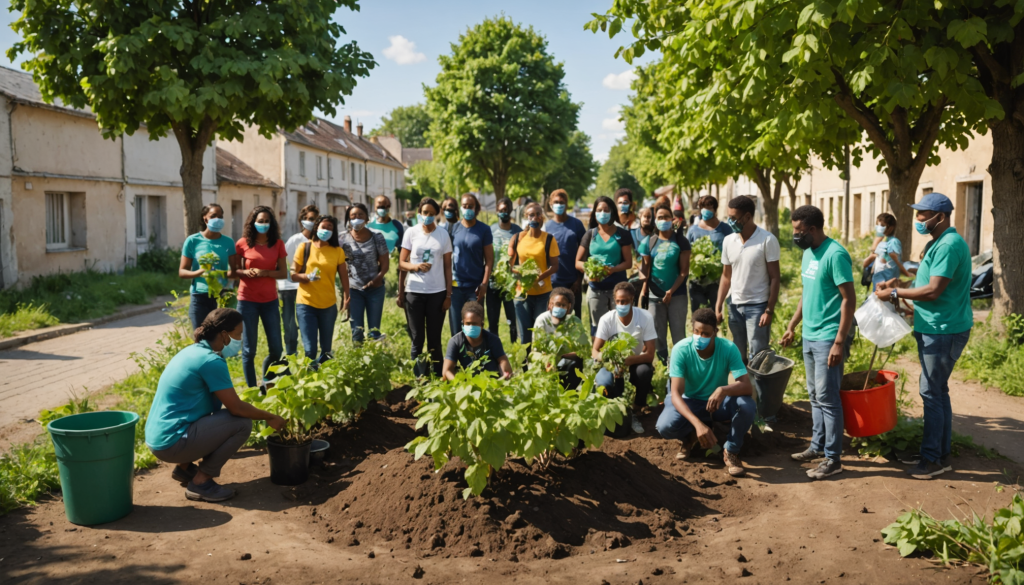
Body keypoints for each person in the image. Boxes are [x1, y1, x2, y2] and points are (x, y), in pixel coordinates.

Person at [875, 193, 972, 479]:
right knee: (938, 392)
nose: (918, 220)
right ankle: (940, 455)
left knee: (931, 392)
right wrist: (900, 283)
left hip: (943, 331)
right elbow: (925, 282)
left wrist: (894, 293)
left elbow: (933, 291)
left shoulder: (949, 245)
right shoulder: (938, 244)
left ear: (939, 217)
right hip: (934, 327)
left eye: (922, 215)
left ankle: (932, 460)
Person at [145, 308, 287, 503]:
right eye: (238, 334)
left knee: (216, 419)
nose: (240, 339)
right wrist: (270, 417)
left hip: (160, 435)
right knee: (241, 424)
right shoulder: (210, 361)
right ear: (224, 335)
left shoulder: (192, 351)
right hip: (171, 443)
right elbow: (236, 408)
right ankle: (201, 483)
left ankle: (184, 469)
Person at [781, 205, 855, 480]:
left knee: (828, 398)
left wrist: (838, 341)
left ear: (812, 229)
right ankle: (817, 446)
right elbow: (806, 292)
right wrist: (792, 326)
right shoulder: (808, 253)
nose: (795, 236)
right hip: (809, 335)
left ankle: (833, 459)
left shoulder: (835, 255)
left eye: (799, 231)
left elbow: (849, 299)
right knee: (814, 396)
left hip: (828, 337)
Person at [655, 308, 755, 477]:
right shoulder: (681, 350)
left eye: (705, 334)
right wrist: (697, 424)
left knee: (746, 405)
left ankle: (731, 450)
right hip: (690, 401)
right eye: (696, 331)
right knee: (664, 426)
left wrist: (723, 389)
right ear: (692, 329)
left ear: (715, 332)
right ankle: (689, 437)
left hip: (716, 403)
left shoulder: (728, 348)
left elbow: (747, 387)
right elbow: (676, 393)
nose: (699, 337)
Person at [716, 196, 782, 364]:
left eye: (733, 218)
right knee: (737, 355)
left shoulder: (767, 240)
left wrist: (769, 309)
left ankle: (760, 390)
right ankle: (742, 389)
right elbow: (726, 276)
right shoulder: (728, 240)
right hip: (734, 305)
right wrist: (719, 305)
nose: (730, 221)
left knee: (759, 356)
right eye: (728, 217)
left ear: (747, 217)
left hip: (758, 307)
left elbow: (775, 277)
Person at [230, 206, 288, 388]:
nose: (263, 224)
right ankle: (252, 390)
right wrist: (246, 273)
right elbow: (233, 272)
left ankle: (266, 380)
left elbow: (283, 273)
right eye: (260, 221)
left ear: (272, 224)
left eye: (266, 221)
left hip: (270, 301)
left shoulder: (278, 244)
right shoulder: (242, 244)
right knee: (249, 349)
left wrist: (265, 272)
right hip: (247, 301)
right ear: (252, 222)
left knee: (276, 349)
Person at [593, 282, 657, 434]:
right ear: (614, 300)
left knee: (644, 372)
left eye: (625, 301)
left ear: (632, 300)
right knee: (604, 382)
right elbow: (595, 351)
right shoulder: (606, 319)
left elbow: (650, 355)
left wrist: (628, 361)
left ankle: (636, 408)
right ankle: (611, 412)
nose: (621, 305)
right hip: (611, 363)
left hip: (634, 360)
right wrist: (609, 360)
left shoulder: (645, 317)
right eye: (619, 301)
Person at [399, 198, 453, 377]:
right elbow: (401, 263)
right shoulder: (411, 233)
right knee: (417, 339)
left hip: (437, 293)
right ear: (419, 213)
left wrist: (448, 295)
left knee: (434, 340)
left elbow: (447, 267)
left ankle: (437, 377)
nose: (427, 217)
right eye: (424, 213)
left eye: (431, 213)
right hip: (414, 293)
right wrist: (415, 267)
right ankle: (419, 378)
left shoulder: (443, 235)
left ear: (437, 214)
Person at [290, 215, 349, 365]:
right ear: (316, 227)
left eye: (330, 227)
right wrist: (306, 277)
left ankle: (323, 382)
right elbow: (292, 275)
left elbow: (344, 277)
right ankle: (308, 381)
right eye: (324, 226)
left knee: (326, 351)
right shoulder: (304, 247)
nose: (327, 230)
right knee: (310, 350)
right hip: (306, 303)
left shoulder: (337, 251)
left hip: (328, 305)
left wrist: (347, 297)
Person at [639, 204, 692, 364]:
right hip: (655, 296)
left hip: (677, 295)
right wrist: (643, 292)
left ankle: (679, 367)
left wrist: (671, 291)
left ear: (672, 219)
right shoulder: (649, 242)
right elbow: (645, 269)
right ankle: (664, 365)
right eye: (660, 217)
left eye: (666, 217)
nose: (663, 220)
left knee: (678, 335)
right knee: (658, 334)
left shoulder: (681, 241)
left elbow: (684, 271)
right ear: (655, 220)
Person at [576, 196, 634, 336]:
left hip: (618, 291)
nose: (602, 213)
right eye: (599, 210)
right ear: (595, 214)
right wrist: (590, 270)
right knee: (598, 329)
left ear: (612, 212)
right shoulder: (590, 235)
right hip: (596, 290)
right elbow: (578, 262)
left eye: (606, 210)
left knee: (620, 327)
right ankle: (598, 356)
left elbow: (628, 262)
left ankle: (619, 357)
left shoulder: (622, 234)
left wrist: (613, 269)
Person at [509, 202, 560, 346]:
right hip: (522, 293)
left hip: (543, 294)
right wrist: (520, 274)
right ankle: (526, 367)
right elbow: (510, 264)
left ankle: (541, 364)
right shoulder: (518, 238)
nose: (535, 217)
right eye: (531, 214)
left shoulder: (549, 239)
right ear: (526, 217)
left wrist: (539, 277)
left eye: (538, 214)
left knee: (540, 333)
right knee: (525, 335)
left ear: (542, 217)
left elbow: (555, 266)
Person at [339, 203, 390, 342]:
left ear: (367, 218)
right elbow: (341, 265)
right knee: (357, 332)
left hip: (375, 289)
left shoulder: (376, 237)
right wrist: (345, 294)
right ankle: (359, 360)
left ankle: (374, 360)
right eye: (353, 216)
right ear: (348, 219)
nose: (357, 218)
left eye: (361, 215)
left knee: (374, 332)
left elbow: (385, 263)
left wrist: (377, 279)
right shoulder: (343, 239)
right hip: (354, 291)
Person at [180, 204, 235, 330]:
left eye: (221, 216)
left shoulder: (228, 242)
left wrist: (219, 274)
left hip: (222, 295)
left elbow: (235, 272)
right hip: (199, 295)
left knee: (220, 338)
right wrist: (200, 272)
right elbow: (182, 272)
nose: (218, 219)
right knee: (200, 335)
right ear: (205, 219)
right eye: (214, 216)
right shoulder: (193, 241)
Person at [449, 193, 494, 337]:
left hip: (475, 288)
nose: (467, 209)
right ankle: (456, 357)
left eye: (471, 206)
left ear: (476, 208)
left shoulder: (484, 230)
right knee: (456, 329)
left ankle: (477, 357)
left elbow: (489, 260)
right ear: (460, 208)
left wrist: (484, 284)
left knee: (475, 329)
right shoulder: (452, 229)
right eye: (464, 206)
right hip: (455, 287)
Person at [278, 204, 319, 356]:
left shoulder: (319, 242)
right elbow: (285, 263)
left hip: (310, 288)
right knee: (290, 324)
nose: (312, 222)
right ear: (302, 221)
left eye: (314, 219)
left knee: (309, 323)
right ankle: (291, 355)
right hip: (289, 288)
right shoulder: (295, 240)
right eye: (308, 219)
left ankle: (310, 356)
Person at [544, 189, 587, 321]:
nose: (559, 205)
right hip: (553, 281)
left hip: (573, 281)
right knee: (555, 318)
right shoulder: (547, 227)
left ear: (567, 204)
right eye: (556, 202)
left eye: (561, 202)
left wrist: (579, 280)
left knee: (575, 318)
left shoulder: (577, 225)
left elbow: (584, 252)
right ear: (550, 205)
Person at [534, 287, 590, 389]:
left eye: (563, 305)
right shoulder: (542, 320)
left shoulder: (574, 321)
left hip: (567, 361)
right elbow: (536, 349)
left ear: (569, 307)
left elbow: (584, 351)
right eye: (556, 304)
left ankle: (569, 389)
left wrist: (561, 355)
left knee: (576, 363)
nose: (559, 307)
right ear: (550, 305)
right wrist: (549, 359)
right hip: (546, 361)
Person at [442, 301, 512, 380]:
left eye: (475, 323)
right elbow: (446, 371)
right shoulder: (455, 342)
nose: (471, 326)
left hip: (492, 382)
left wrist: (505, 375)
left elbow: (503, 361)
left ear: (482, 324)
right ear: (462, 324)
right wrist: (459, 385)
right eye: (468, 323)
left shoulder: (493, 340)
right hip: (467, 383)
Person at [686, 195, 733, 311]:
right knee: (697, 315)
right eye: (703, 207)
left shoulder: (725, 229)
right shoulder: (693, 230)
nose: (706, 210)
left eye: (709, 207)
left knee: (715, 313)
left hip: (717, 280)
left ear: (715, 209)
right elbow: (686, 253)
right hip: (697, 280)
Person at [489, 197, 523, 342]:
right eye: (501, 210)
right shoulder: (490, 230)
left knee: (512, 318)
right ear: (497, 211)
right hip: (493, 282)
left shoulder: (518, 232)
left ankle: (514, 345)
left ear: (511, 211)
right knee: (492, 320)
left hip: (511, 283)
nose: (504, 213)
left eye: (506, 210)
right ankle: (493, 346)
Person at [864, 212, 911, 290]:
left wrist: (907, 274)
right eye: (877, 225)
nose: (879, 228)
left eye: (882, 225)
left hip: (887, 284)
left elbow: (896, 262)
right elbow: (872, 261)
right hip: (878, 282)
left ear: (890, 227)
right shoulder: (882, 241)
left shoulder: (894, 242)